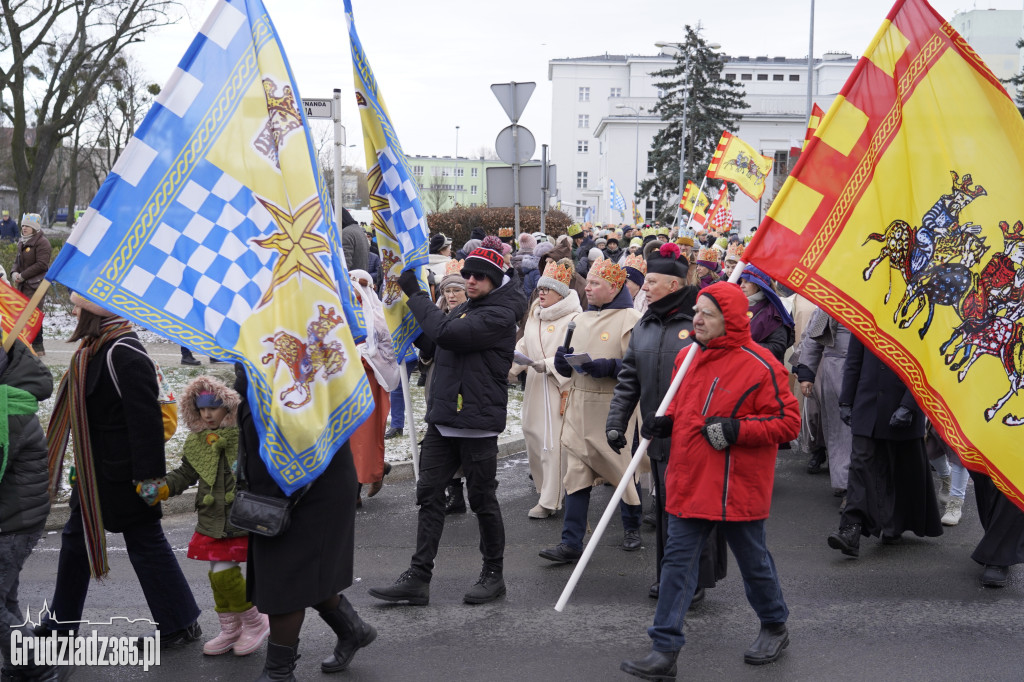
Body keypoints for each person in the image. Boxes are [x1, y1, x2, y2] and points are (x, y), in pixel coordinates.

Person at [621, 282, 800, 679]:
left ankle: (774, 625)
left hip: (737, 484)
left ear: (731, 320)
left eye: (707, 314)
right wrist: (665, 425)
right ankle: (663, 649)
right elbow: (688, 410)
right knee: (676, 565)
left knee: (753, 562)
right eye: (696, 311)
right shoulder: (687, 357)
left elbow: (788, 423)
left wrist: (737, 430)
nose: (696, 320)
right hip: (692, 478)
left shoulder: (763, 365)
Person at [370, 235, 526, 606]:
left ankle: (494, 573)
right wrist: (394, 321)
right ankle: (418, 577)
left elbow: (448, 334)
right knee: (428, 496)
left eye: (480, 276)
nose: (470, 281)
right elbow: (438, 341)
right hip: (444, 419)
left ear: (496, 280)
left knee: (482, 500)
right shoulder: (470, 306)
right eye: (468, 273)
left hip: (476, 421)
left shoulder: (501, 313)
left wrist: (413, 291)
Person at [41, 294, 201, 647]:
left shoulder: (123, 351)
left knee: (146, 545)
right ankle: (61, 628)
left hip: (125, 476)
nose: (72, 311)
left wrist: (148, 481)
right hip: (93, 472)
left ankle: (180, 625)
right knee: (75, 543)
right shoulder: (94, 349)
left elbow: (144, 423)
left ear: (95, 312)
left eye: (78, 306)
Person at [233, 366, 375, 680]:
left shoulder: (291, 361)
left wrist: (266, 499)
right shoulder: (266, 353)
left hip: (304, 487)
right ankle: (353, 630)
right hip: (294, 486)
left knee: (285, 581)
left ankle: (278, 674)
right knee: (303, 571)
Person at [607, 243, 726, 604]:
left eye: (652, 281)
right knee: (665, 511)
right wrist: (616, 422)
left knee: (691, 511)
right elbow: (630, 377)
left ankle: (694, 579)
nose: (644, 286)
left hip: (695, 438)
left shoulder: (698, 323)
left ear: (673, 286)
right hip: (656, 438)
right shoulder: (645, 322)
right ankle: (669, 574)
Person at [540, 258, 643, 563]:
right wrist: (563, 363)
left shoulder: (632, 320)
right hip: (580, 404)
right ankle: (571, 542)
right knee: (576, 474)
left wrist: (609, 367)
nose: (589, 288)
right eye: (589, 282)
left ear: (614, 287)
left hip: (614, 406)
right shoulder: (579, 320)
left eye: (596, 284)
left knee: (622, 470)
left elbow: (639, 366)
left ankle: (632, 527)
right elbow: (569, 360)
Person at [164, 375, 270, 657]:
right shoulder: (198, 442)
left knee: (224, 575)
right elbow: (185, 473)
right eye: (201, 409)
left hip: (241, 516)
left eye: (214, 407)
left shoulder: (245, 435)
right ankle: (231, 627)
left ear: (229, 407)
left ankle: (255, 621)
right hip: (212, 519)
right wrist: (162, 488)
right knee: (217, 575)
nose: (207, 414)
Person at [827, 337, 943, 557]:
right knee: (860, 466)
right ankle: (851, 529)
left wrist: (910, 405)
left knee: (898, 469)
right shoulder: (865, 311)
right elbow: (854, 360)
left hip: (901, 405)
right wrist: (846, 401)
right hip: (866, 404)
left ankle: (892, 525)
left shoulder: (919, 312)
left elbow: (926, 363)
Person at [0, 332, 55, 680]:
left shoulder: (9, 408)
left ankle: (35, 663)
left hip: (13, 522)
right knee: (5, 600)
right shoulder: (10, 398)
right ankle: (20, 665)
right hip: (12, 517)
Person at [510, 258, 582, 519]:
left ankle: (552, 500)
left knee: (554, 443)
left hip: (557, 388)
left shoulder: (575, 318)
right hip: (534, 386)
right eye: (540, 288)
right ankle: (544, 489)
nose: (541, 293)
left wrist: (549, 365)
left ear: (560, 293)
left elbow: (578, 354)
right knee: (532, 435)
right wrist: (512, 366)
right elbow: (525, 346)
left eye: (547, 290)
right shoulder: (534, 314)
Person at [419, 260, 471, 515]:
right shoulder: (437, 313)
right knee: (439, 434)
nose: (450, 296)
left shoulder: (471, 315)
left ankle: (472, 491)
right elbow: (427, 355)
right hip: (435, 381)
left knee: (458, 438)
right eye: (447, 291)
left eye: (456, 291)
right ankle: (452, 494)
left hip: (460, 387)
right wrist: (426, 353)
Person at [348, 269, 399, 505]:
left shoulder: (378, 317)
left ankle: (356, 488)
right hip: (346, 386)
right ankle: (376, 469)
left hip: (369, 385)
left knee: (364, 438)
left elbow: (384, 351)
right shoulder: (340, 311)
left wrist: (361, 359)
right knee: (346, 438)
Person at [792, 309, 853, 496]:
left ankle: (864, 484)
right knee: (840, 432)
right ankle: (846, 486)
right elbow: (813, 337)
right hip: (837, 373)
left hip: (872, 374)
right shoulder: (832, 300)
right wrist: (807, 374)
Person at [738, 265, 795, 365]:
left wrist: (745, 346)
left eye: (746, 281)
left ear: (758, 285)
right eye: (741, 281)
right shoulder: (736, 305)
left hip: (761, 370)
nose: (741, 285)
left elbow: (778, 347)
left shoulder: (774, 311)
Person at [11, 214, 50, 355]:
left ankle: (38, 346)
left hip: (36, 285)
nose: (24, 228)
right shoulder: (22, 241)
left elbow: (42, 264)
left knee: (33, 314)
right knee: (24, 314)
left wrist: (23, 275)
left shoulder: (43, 242)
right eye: (23, 225)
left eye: (27, 226)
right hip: (23, 284)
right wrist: (14, 272)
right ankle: (26, 344)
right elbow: (17, 261)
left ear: (35, 228)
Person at [340, 207, 369, 273]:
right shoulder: (358, 230)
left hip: (352, 280)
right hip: (360, 277)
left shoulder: (345, 233)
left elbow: (345, 265)